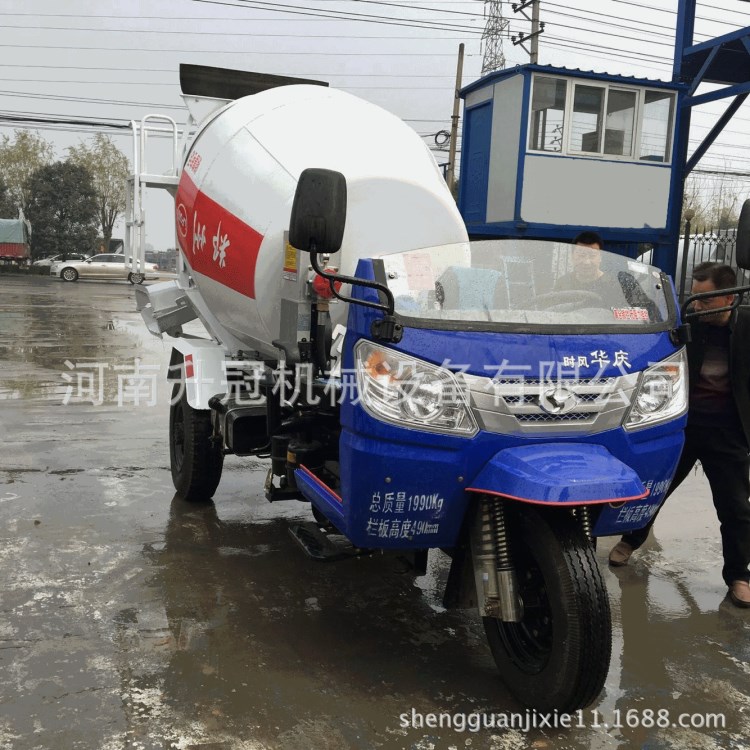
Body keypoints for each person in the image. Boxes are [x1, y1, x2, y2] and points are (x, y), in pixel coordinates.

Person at [609, 262, 750, 608]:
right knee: (653, 490)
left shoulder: (747, 326)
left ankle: (739, 576)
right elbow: (646, 313)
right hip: (681, 427)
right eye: (694, 298)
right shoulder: (686, 326)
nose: (696, 305)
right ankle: (630, 539)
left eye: (705, 299)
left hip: (728, 433)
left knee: (736, 508)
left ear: (728, 296)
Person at [554, 230, 612, 298]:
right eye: (581, 255)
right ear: (572, 257)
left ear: (600, 258)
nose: (586, 262)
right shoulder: (563, 283)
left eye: (592, 255)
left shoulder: (611, 284)